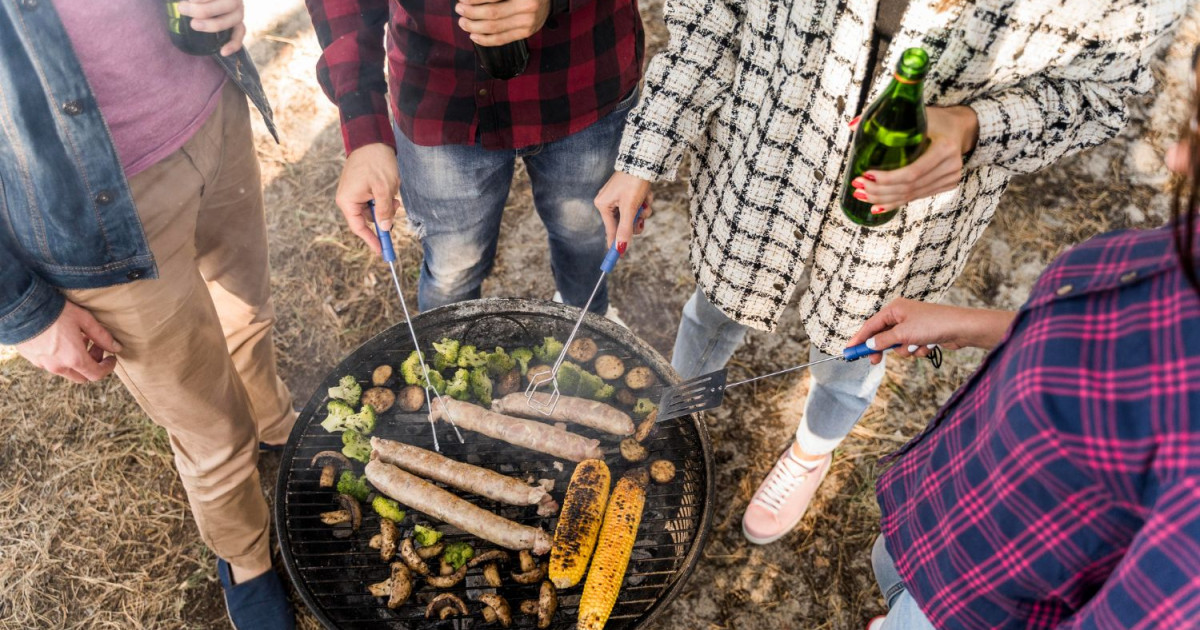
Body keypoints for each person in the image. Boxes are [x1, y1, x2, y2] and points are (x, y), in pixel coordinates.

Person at [595, 0, 1190, 544]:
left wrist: (973, 124)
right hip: (762, 146)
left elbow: (1106, 94)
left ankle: (810, 452)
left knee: (858, 345)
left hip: (910, 207)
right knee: (715, 302)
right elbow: (711, 14)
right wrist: (646, 151)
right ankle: (675, 415)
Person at [858, 44, 1200, 630]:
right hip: (951, 512)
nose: (1174, 156)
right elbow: (1120, 352)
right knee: (892, 582)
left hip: (980, 605)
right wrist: (974, 325)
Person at [1, 1, 296, 627]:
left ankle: (278, 425)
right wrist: (19, 311)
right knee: (206, 423)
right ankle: (245, 558)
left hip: (214, 105)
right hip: (89, 206)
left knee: (249, 315)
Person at [304, 0, 647, 319]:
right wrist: (364, 126)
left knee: (587, 238)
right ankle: (449, 370)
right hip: (438, 93)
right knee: (453, 269)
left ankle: (588, 327)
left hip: (584, 77)